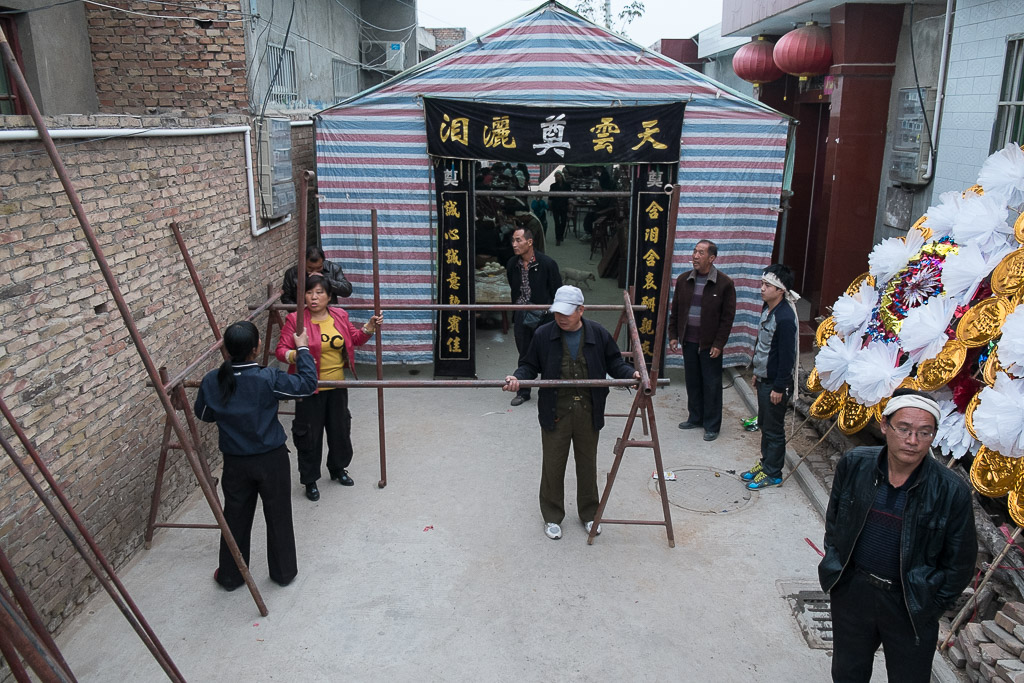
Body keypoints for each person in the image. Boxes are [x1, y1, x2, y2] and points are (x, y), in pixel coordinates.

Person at [818, 389, 976, 682]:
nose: (912, 440)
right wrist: (838, 569)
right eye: (904, 428)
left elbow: (961, 564)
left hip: (909, 602)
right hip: (854, 593)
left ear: (933, 436)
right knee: (847, 673)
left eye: (924, 433)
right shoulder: (855, 464)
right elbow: (836, 522)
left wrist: (929, 602)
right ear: (884, 425)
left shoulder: (951, 491)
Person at [503, 286, 640, 540]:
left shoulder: (598, 333)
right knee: (553, 465)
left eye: (567, 313)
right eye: (557, 313)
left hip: (589, 409)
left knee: (587, 464)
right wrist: (518, 378)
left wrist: (631, 374)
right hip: (556, 409)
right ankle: (552, 516)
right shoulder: (544, 334)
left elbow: (615, 362)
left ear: (581, 310)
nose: (561, 318)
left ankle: (589, 514)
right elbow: (529, 365)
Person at [194, 321, 317, 591]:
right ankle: (284, 573)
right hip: (270, 459)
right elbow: (307, 385)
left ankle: (230, 576)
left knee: (235, 517)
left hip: (236, 462)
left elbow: (203, 415)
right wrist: (303, 348)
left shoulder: (212, 380)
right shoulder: (267, 378)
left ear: (225, 349)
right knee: (279, 515)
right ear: (256, 347)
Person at [275, 274, 382, 501]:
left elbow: (353, 339)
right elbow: (280, 351)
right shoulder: (296, 320)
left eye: (319, 293)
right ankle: (310, 480)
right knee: (309, 436)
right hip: (308, 387)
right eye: (309, 293)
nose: (313, 298)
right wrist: (300, 352)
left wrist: (369, 328)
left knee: (340, 430)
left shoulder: (340, 315)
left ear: (329, 296)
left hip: (336, 385)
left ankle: (338, 469)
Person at [669, 240, 736, 442]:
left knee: (712, 384)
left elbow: (727, 318)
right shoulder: (683, 280)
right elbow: (676, 311)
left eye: (700, 252)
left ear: (712, 258)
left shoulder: (724, 283)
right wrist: (673, 335)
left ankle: (712, 425)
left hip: (709, 345)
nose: (695, 256)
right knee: (693, 381)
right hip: (689, 341)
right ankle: (695, 417)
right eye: (694, 252)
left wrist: (718, 344)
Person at [740, 264, 798, 490]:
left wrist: (779, 387)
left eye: (767, 285)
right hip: (764, 379)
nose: (762, 289)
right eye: (762, 284)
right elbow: (763, 347)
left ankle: (773, 473)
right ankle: (765, 464)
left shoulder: (784, 318)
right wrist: (757, 373)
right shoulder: (768, 309)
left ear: (780, 290)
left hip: (776, 385)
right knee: (764, 424)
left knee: (774, 429)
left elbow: (786, 357)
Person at [506, 226, 562, 407]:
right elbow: (514, 289)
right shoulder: (512, 264)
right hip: (522, 314)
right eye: (513, 241)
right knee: (524, 354)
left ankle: (548, 392)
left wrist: (554, 317)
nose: (514, 244)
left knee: (548, 355)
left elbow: (557, 292)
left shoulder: (547, 264)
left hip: (544, 317)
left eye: (518, 240)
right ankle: (523, 391)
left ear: (530, 242)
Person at [281, 245, 353, 305]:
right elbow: (286, 298)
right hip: (303, 316)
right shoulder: (292, 273)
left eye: (319, 268)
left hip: (328, 314)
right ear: (304, 262)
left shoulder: (333, 268)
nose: (314, 272)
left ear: (323, 262)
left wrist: (327, 281)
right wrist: (301, 313)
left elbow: (347, 290)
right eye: (310, 268)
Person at [549, 171, 571, 246]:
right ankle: (557, 238)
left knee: (564, 222)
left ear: (561, 176)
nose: (557, 177)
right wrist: (550, 206)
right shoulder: (553, 186)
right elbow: (550, 197)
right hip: (556, 206)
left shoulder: (567, 185)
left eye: (558, 176)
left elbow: (569, 197)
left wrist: (569, 205)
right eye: (556, 176)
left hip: (564, 206)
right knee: (557, 223)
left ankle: (561, 235)